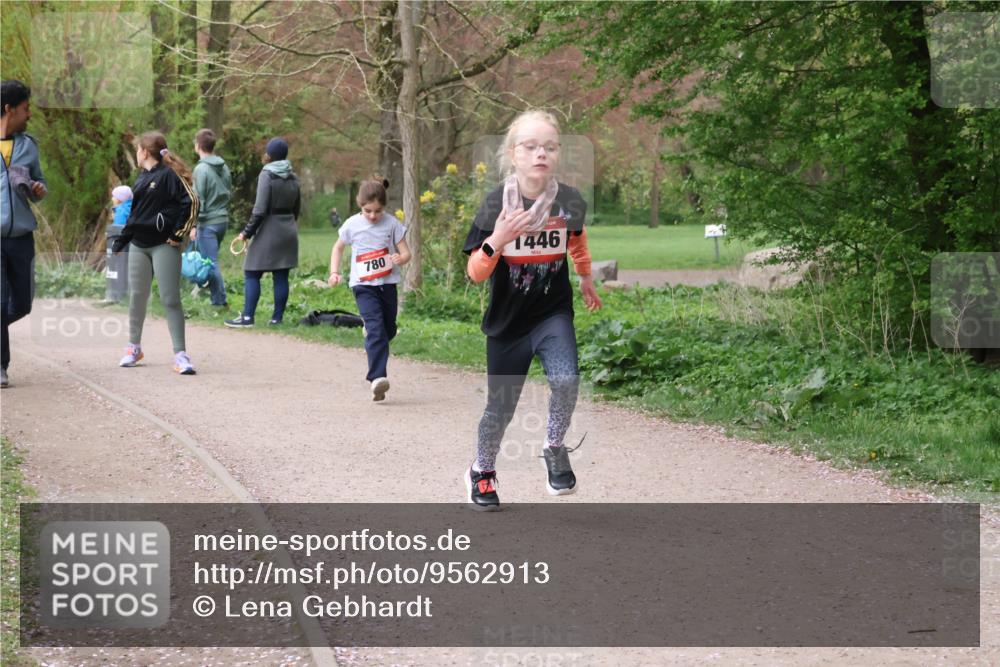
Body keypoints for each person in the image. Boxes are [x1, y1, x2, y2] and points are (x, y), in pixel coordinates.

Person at [462, 110, 602, 510]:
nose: (540, 153)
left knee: (567, 378)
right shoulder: (495, 205)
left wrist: (585, 276)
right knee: (499, 410)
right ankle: (482, 471)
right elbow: (475, 273)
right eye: (530, 146)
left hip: (551, 314)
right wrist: (499, 239)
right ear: (513, 154)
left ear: (558, 154)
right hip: (508, 323)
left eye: (549, 147)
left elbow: (576, 238)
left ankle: (554, 446)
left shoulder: (570, 200)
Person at [111, 131, 196, 375]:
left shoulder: (170, 176)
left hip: (163, 245)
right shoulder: (140, 179)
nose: (137, 154)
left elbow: (191, 203)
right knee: (137, 296)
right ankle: (133, 348)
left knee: (170, 299)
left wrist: (178, 235)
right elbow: (136, 216)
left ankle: (181, 355)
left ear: (144, 152)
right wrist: (121, 242)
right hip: (139, 245)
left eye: (137, 150)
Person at [327, 178, 410, 401]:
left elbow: (406, 253)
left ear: (385, 207)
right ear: (359, 205)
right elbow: (338, 248)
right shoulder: (352, 224)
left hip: (387, 285)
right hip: (363, 286)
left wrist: (400, 258)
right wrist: (334, 272)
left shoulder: (392, 224)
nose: (373, 216)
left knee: (388, 329)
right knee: (376, 330)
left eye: (378, 211)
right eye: (368, 211)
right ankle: (377, 378)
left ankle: (373, 336)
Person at [1, 80, 48, 389]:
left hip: (21, 237)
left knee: (22, 303)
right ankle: (1, 365)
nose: (29, 114)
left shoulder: (28, 144)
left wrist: (37, 189)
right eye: (25, 109)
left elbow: (40, 184)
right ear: (9, 110)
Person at [225, 137, 300, 328]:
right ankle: (277, 319)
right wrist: (289, 224)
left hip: (269, 228)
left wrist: (246, 233)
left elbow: (259, 209)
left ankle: (248, 317)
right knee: (281, 275)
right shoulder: (293, 176)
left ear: (270, 155)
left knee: (251, 272)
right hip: (288, 228)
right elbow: (296, 208)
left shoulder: (267, 175)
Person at [190, 128, 231, 308]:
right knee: (209, 260)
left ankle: (220, 302)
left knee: (210, 263)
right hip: (223, 220)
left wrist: (193, 225)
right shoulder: (224, 166)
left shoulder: (201, 169)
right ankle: (211, 293)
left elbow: (197, 201)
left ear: (198, 146)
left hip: (208, 222)